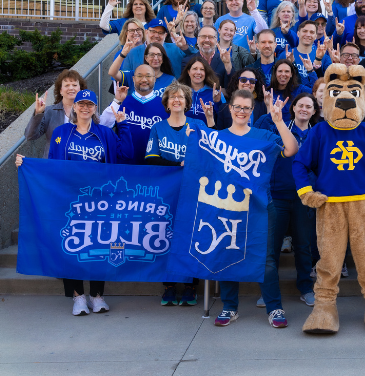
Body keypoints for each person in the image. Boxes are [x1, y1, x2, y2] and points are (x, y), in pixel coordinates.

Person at [16, 89, 132, 316]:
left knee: (99, 246)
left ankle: (97, 295)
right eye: (81, 104)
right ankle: (78, 297)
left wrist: (124, 126)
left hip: (100, 201)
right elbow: (51, 167)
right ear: (75, 107)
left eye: (90, 104)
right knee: (71, 246)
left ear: (95, 108)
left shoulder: (104, 133)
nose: (85, 108)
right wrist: (27, 164)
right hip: (69, 200)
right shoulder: (61, 133)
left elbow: (125, 157)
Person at [214, 89, 299, 327]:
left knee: (266, 259)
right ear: (230, 108)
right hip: (229, 207)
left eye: (246, 108)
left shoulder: (263, 135)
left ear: (252, 111)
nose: (241, 111)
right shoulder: (218, 137)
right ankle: (230, 307)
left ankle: (274, 308)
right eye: (237, 107)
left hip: (262, 207)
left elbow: (292, 149)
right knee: (228, 255)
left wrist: (279, 121)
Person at [145, 82, 212, 306]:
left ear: (187, 102)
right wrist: (179, 163)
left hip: (193, 191)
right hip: (167, 192)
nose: (176, 100)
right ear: (166, 102)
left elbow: (209, 155)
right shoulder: (158, 127)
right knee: (166, 236)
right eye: (172, 97)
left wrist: (194, 148)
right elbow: (151, 159)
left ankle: (191, 287)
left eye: (181, 97)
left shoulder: (197, 124)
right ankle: (169, 286)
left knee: (190, 237)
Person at [254, 93, 320, 310]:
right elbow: (261, 133)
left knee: (303, 245)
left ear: (313, 110)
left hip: (304, 197)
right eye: (300, 105)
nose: (304, 109)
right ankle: (268, 292)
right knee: (272, 246)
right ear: (293, 108)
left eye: (308, 106)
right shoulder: (277, 128)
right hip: (278, 195)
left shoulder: (317, 134)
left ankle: (306, 288)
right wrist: (271, 111)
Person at [100, 65, 168, 164]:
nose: (144, 79)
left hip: (153, 166)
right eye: (139, 76)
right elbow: (103, 124)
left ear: (155, 79)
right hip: (125, 164)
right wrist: (117, 101)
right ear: (133, 78)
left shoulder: (165, 105)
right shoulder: (122, 101)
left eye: (148, 76)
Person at [25, 69, 88, 158]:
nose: (71, 88)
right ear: (60, 90)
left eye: (74, 85)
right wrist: (38, 113)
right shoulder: (50, 111)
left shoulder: (88, 111)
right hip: (53, 165)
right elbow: (30, 136)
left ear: (80, 89)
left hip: (78, 165)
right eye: (67, 85)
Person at [121, 18, 197, 77]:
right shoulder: (133, 52)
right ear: (146, 32)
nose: (156, 36)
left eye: (160, 33)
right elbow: (126, 77)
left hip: (171, 95)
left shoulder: (175, 48)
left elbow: (198, 56)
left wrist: (185, 47)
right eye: (153, 32)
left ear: (165, 35)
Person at [108, 41, 175, 98]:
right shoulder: (134, 75)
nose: (155, 58)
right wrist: (123, 54)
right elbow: (112, 73)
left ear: (163, 59)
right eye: (152, 55)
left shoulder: (171, 80)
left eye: (159, 55)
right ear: (146, 58)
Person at [178, 56, 224, 123]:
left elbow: (223, 118)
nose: (198, 72)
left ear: (206, 73)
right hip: (183, 132)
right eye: (195, 69)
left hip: (208, 132)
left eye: (202, 69)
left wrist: (218, 102)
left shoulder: (215, 93)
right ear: (188, 72)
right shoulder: (180, 92)